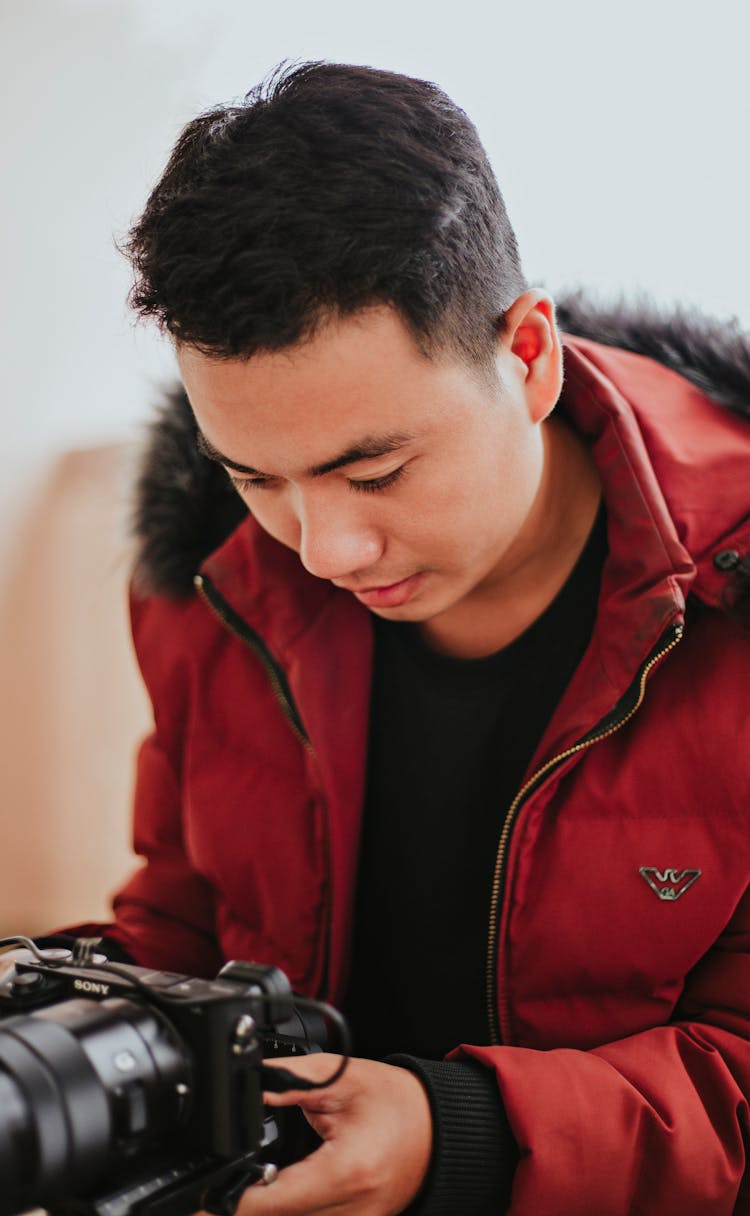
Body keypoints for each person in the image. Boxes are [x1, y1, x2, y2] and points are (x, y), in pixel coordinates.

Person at [48, 62, 750, 1214]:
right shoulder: (211, 576)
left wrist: (460, 1137)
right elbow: (178, 921)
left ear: (527, 355)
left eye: (373, 470)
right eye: (257, 476)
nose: (323, 548)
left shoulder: (734, 593)